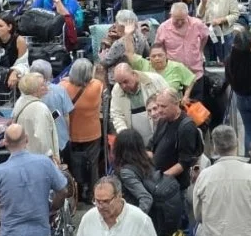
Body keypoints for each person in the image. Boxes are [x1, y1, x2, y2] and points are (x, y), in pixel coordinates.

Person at [0, 124, 69, 236]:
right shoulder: (45, 163)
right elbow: (63, 190)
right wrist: (53, 208)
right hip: (41, 232)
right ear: (27, 139)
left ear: (5, 142)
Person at [61, 58, 104, 204]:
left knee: (74, 164)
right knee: (92, 165)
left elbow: (65, 80)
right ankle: (93, 194)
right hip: (93, 133)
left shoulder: (64, 86)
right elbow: (98, 80)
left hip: (71, 134)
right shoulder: (96, 86)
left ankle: (76, 193)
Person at [149, 89, 201, 192]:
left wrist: (161, 178)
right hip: (157, 181)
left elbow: (184, 162)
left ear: (176, 104)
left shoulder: (186, 127)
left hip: (175, 187)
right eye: (158, 106)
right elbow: (151, 146)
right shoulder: (162, 120)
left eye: (163, 106)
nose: (159, 110)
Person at [156, 2, 210, 92]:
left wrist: (200, 50)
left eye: (182, 19)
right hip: (174, 76)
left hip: (195, 73)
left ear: (187, 15)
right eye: (176, 20)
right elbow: (158, 47)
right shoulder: (163, 28)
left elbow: (205, 36)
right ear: (171, 15)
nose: (180, 22)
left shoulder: (197, 24)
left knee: (196, 104)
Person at [109, 63, 168, 146]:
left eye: (126, 81)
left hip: (162, 134)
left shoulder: (155, 79)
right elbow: (117, 115)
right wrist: (125, 135)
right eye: (120, 83)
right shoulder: (116, 90)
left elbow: (168, 103)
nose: (123, 86)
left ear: (133, 74)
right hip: (135, 142)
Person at [11, 72, 61, 159]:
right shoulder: (40, 108)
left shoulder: (20, 101)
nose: (46, 86)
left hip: (25, 156)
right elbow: (42, 140)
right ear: (34, 90)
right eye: (42, 85)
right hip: (39, 159)